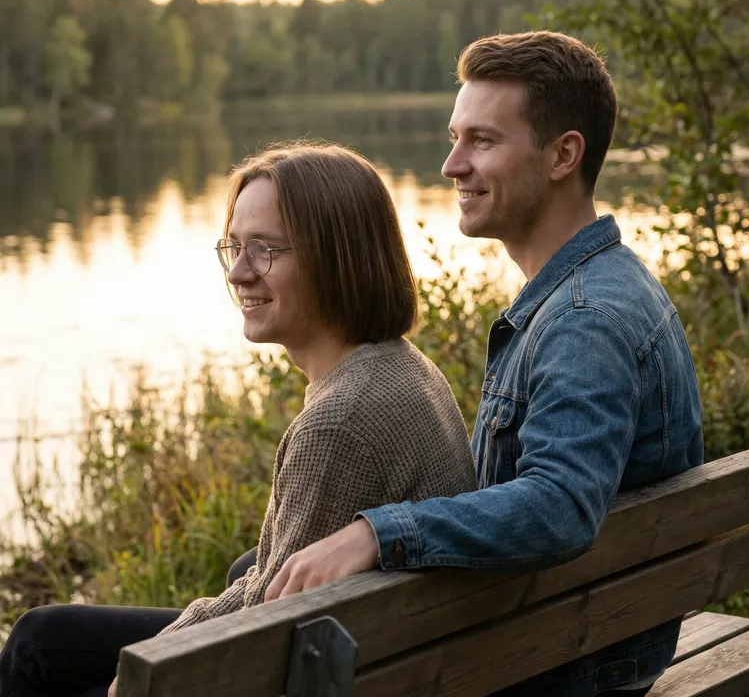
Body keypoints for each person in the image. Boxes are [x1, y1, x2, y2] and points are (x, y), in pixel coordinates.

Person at [262, 32, 704, 697]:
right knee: (267, 569)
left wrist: (378, 534)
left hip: (552, 670)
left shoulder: (586, 320)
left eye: (482, 141)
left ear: (563, 155)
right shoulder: (599, 287)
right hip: (568, 636)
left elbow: (560, 505)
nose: (451, 165)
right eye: (454, 136)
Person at [0, 144, 478, 697]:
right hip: (385, 658)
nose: (238, 273)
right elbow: (271, 580)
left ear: (336, 257)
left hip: (316, 674)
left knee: (38, 643)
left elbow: (258, 625)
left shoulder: (340, 421)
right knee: (50, 635)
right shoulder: (399, 366)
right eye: (234, 247)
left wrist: (137, 671)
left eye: (265, 251)